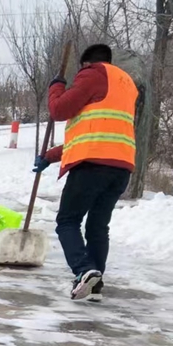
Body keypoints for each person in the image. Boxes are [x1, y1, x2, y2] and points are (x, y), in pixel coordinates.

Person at [34, 43, 138, 301]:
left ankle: (83, 270)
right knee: (97, 227)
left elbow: (59, 110)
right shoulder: (125, 85)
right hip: (121, 166)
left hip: (92, 165)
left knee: (67, 221)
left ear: (86, 63)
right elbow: (95, 132)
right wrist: (50, 157)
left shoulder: (93, 74)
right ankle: (94, 285)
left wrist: (56, 87)